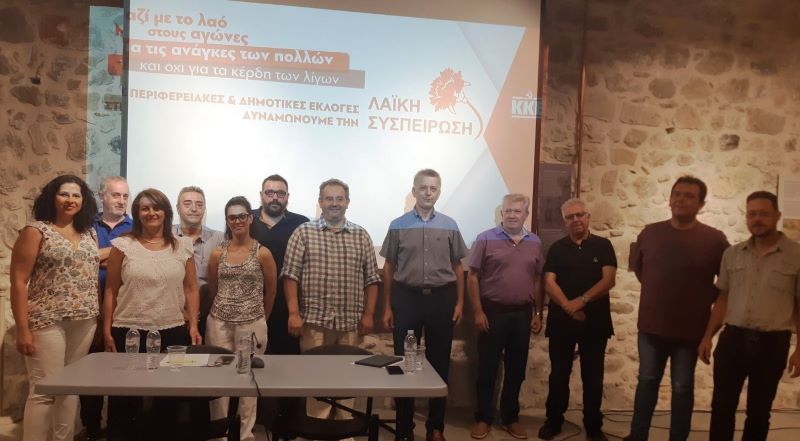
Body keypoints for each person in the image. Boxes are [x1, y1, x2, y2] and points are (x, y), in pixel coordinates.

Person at [623, 176, 729, 441]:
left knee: (682, 387)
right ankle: (637, 436)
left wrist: (703, 304)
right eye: (677, 194)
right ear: (670, 199)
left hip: (690, 332)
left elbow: (726, 285)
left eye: (689, 196)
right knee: (647, 381)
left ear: (701, 204)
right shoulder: (650, 233)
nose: (681, 199)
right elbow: (641, 270)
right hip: (651, 328)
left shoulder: (715, 240)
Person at [699, 191, 800, 441]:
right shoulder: (732, 254)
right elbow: (723, 298)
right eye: (752, 214)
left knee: (759, 412)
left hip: (772, 343)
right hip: (732, 339)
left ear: (777, 215)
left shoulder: (796, 255)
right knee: (721, 407)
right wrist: (708, 336)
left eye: (763, 213)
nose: (757, 219)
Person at [102, 188, 202, 441]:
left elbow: (191, 288)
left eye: (156, 208)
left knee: (168, 399)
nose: (151, 213)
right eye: (145, 208)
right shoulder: (122, 246)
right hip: (128, 331)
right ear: (137, 213)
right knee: (125, 400)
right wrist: (106, 328)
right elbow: (111, 289)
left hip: (173, 330)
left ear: (166, 212)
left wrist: (193, 324)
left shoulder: (183, 246)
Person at [282, 178, 381, 421]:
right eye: (329, 199)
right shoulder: (303, 232)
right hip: (314, 322)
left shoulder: (361, 235)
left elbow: (372, 279)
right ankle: (318, 429)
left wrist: (369, 315)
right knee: (316, 380)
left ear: (347, 202)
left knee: (349, 379)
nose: (334, 203)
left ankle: (345, 429)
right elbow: (290, 275)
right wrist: (293, 313)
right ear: (320, 202)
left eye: (339, 199)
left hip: (351, 323)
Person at [10, 174, 100, 441]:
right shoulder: (36, 231)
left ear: (84, 201)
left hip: (84, 320)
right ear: (52, 197)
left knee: (70, 387)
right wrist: (22, 329)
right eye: (64, 194)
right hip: (46, 320)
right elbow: (18, 282)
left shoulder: (89, 232)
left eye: (76, 195)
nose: (70, 200)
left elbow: (88, 262)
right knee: (44, 390)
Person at [380, 169, 468, 441]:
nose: (428, 192)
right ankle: (404, 426)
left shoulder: (450, 225)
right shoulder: (398, 225)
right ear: (414, 191)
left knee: (440, 362)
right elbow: (389, 267)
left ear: (439, 192)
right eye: (423, 188)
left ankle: (435, 427)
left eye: (433, 188)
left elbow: (458, 267)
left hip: (442, 299)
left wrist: (460, 302)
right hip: (407, 299)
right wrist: (387, 306)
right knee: (404, 362)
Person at [537, 199, 617, 441]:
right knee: (558, 375)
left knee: (593, 377)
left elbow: (608, 280)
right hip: (562, 323)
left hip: (595, 322)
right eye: (570, 217)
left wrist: (581, 301)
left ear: (588, 217)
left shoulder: (603, 245)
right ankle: (553, 421)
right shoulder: (557, 248)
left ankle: (593, 426)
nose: (576, 220)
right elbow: (548, 282)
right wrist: (568, 307)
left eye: (580, 215)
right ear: (565, 222)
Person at [468, 194, 544, 440]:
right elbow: (472, 277)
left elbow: (538, 279)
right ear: (502, 213)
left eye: (517, 211)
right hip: (492, 312)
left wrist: (538, 312)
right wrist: (478, 311)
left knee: (516, 370)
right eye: (508, 211)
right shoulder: (485, 238)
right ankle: (483, 418)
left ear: (526, 215)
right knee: (487, 369)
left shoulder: (535, 242)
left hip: (522, 314)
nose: (512, 215)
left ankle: (510, 418)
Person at [206, 196, 277, 441]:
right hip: (219, 322)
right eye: (232, 217)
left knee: (248, 380)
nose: (237, 221)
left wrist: (260, 318)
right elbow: (213, 287)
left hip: (252, 323)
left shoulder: (263, 253)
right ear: (227, 221)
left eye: (242, 216)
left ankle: (246, 435)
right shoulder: (218, 253)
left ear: (250, 219)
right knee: (218, 379)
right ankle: (219, 434)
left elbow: (271, 292)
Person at [80, 176, 132, 440]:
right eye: (116, 195)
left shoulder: (136, 226)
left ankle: (116, 429)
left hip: (124, 307)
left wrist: (98, 256)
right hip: (89, 306)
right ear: (102, 195)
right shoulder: (86, 224)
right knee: (90, 369)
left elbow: (133, 259)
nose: (121, 201)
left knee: (120, 370)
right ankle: (91, 428)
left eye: (125, 196)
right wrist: (115, 253)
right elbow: (81, 258)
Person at [250, 174, 309, 355]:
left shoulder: (301, 224)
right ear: (261, 195)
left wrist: (295, 312)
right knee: (252, 358)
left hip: (288, 306)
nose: (275, 197)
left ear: (287, 197)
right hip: (251, 304)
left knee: (288, 361)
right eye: (270, 192)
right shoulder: (247, 219)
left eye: (280, 193)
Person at [172, 186, 224, 336]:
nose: (194, 209)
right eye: (187, 204)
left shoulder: (220, 239)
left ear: (204, 209)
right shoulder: (166, 236)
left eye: (199, 204)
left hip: (210, 316)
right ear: (178, 208)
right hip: (172, 316)